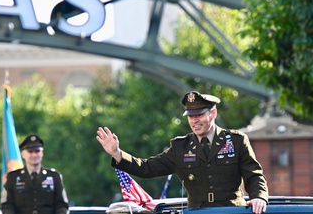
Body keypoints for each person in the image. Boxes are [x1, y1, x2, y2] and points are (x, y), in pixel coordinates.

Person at [96, 91, 268, 214]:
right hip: (196, 212)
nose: (194, 121)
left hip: (231, 211)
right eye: (190, 116)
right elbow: (146, 168)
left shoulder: (236, 141)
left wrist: (259, 196)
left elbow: (254, 175)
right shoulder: (181, 147)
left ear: (213, 113)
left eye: (199, 114)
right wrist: (117, 153)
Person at [0, 134, 69, 214]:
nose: (34, 155)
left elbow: (62, 205)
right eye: (30, 151)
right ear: (23, 155)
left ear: (42, 153)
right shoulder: (13, 178)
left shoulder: (54, 177)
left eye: (37, 151)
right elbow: (6, 205)